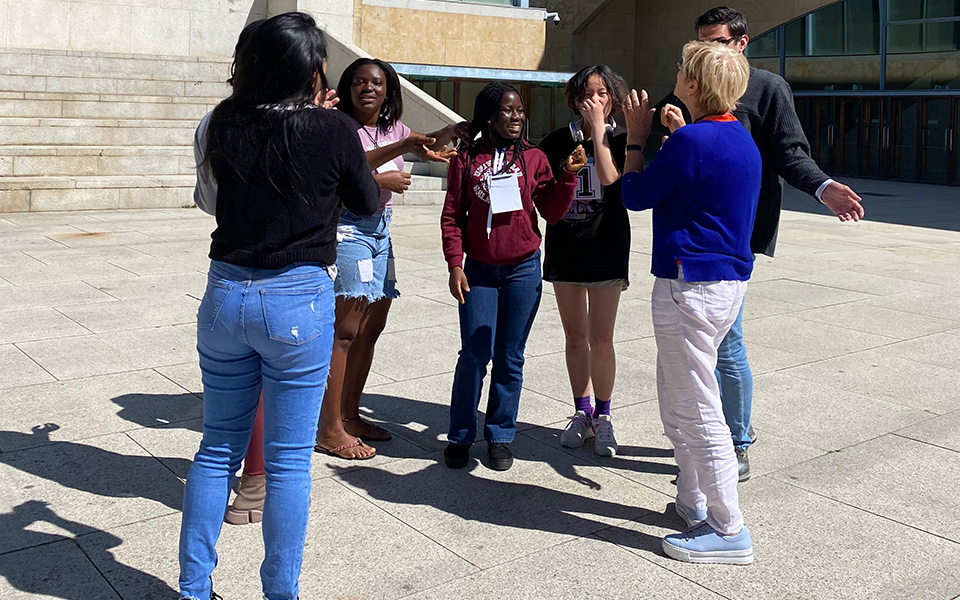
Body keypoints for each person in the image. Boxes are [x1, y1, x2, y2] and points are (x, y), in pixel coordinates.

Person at [181, 12, 379, 600]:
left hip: (225, 292)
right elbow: (367, 204)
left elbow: (210, 202)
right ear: (312, 68)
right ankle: (279, 592)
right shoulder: (333, 128)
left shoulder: (219, 122)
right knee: (288, 461)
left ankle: (194, 589)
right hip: (296, 295)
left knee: (217, 446)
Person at [663, 6, 866, 481]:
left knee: (725, 340)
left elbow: (790, 154)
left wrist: (823, 187)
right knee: (701, 343)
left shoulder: (767, 89)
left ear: (742, 43)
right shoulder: (689, 85)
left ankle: (734, 442)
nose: (703, 52)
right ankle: (709, 434)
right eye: (699, 43)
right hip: (691, 234)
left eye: (714, 41)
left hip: (736, 235)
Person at [620, 41, 761, 564]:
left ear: (695, 85)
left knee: (696, 407)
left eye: (682, 68)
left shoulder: (692, 141)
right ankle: (694, 500)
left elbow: (634, 195)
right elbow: (704, 186)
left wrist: (637, 139)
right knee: (683, 396)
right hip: (721, 284)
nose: (676, 73)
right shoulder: (737, 139)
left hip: (690, 286)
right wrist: (679, 137)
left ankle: (727, 528)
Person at [314, 57, 459, 460]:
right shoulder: (339, 126)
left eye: (376, 82)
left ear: (388, 89)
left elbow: (425, 140)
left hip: (380, 229)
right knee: (344, 329)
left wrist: (453, 131)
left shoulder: (392, 127)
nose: (368, 88)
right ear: (348, 87)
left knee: (371, 326)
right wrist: (385, 175)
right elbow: (347, 173)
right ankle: (329, 429)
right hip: (349, 228)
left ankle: (349, 413)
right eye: (359, 82)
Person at [440, 82, 585, 471]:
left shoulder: (534, 158)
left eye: (520, 110)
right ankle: (460, 435)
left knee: (510, 356)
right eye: (508, 110)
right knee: (473, 354)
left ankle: (500, 434)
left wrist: (568, 176)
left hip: (523, 269)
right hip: (479, 272)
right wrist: (455, 263)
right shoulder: (466, 158)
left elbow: (552, 212)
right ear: (489, 116)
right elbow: (452, 215)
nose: (517, 116)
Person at [539, 65, 631, 457]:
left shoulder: (625, 139)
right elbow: (542, 194)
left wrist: (598, 133)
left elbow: (613, 179)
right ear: (575, 99)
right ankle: (582, 410)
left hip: (607, 245)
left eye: (602, 93)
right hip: (567, 246)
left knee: (602, 339)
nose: (594, 100)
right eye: (587, 94)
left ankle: (605, 416)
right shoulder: (557, 140)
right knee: (575, 337)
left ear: (613, 97)